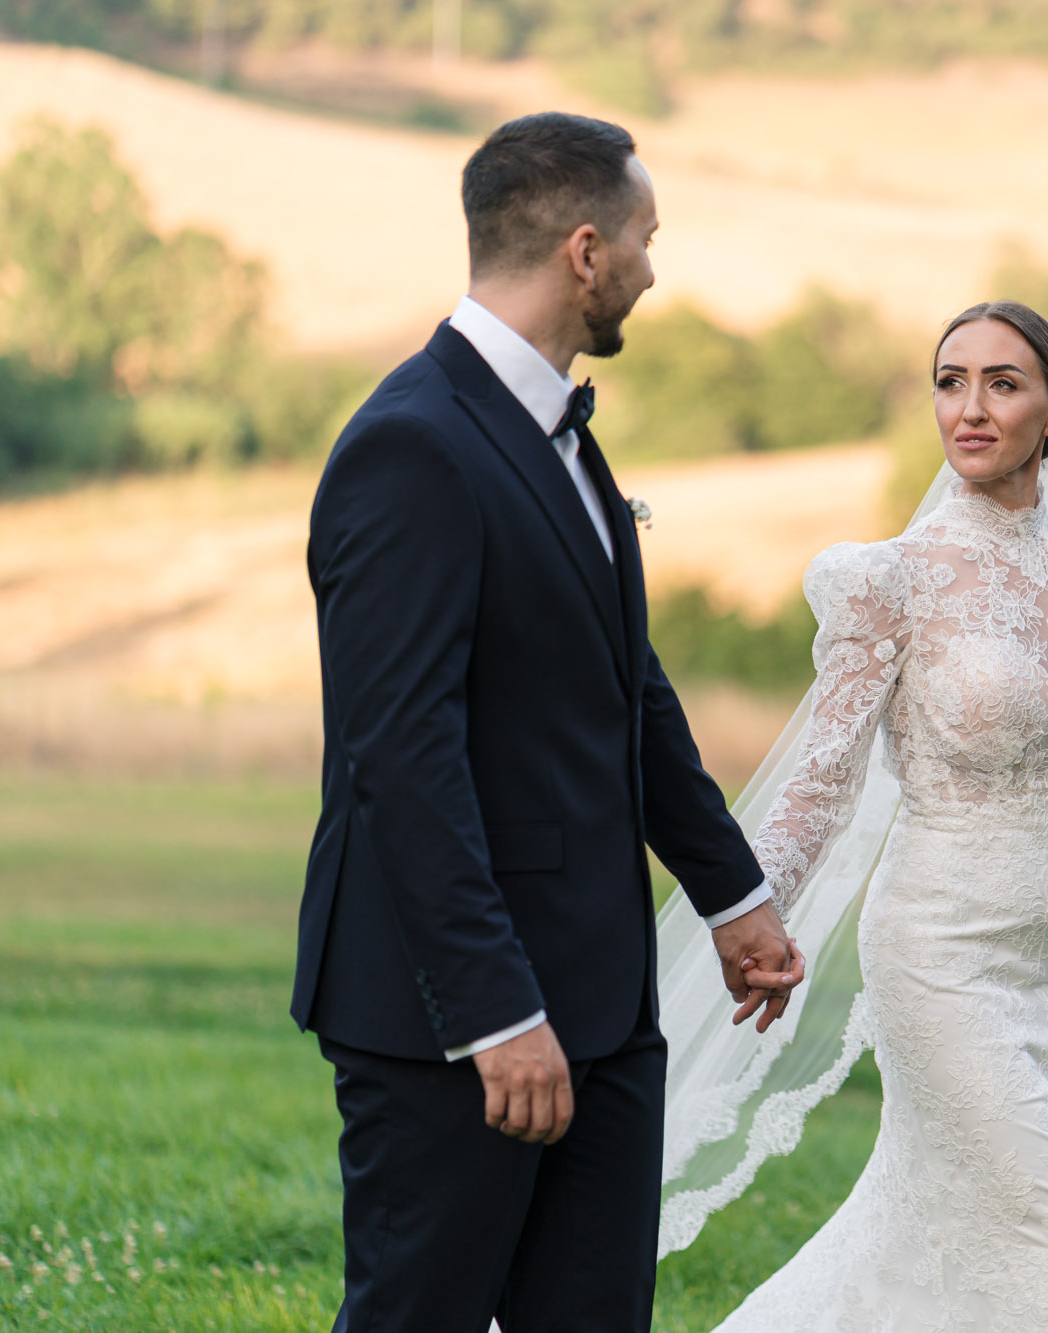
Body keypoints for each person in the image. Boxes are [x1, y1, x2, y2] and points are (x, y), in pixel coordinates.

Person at [291, 111, 804, 1333]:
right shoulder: (412, 447)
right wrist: (491, 1013)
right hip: (454, 1018)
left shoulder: (557, 433)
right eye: (642, 237)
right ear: (585, 251)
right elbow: (400, 758)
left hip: (605, 1000)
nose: (651, 267)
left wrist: (729, 898)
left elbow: (626, 686)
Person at [687, 300, 1048, 1330]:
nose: (970, 408)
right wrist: (754, 913)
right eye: (950, 382)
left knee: (938, 1236)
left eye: (1003, 383)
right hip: (938, 949)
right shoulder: (889, 580)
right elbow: (822, 777)